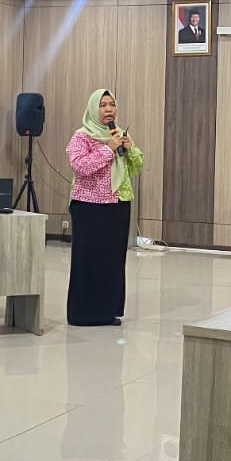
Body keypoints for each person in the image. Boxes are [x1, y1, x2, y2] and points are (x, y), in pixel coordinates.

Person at [65, 89, 145, 326]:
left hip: (118, 203)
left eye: (112, 104)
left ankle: (108, 311)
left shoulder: (118, 134)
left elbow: (136, 166)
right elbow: (81, 166)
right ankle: (83, 314)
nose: (109, 109)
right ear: (93, 109)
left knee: (113, 260)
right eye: (103, 105)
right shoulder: (81, 136)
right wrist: (108, 149)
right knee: (89, 260)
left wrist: (130, 149)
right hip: (89, 206)